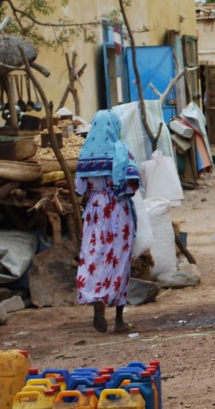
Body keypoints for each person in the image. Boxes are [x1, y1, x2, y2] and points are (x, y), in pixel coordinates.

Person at [74, 110, 140, 334]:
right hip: (118, 212)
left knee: (94, 256)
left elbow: (80, 189)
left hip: (95, 212)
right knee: (119, 260)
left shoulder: (86, 155)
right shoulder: (122, 152)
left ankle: (97, 302)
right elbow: (132, 187)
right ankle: (119, 320)